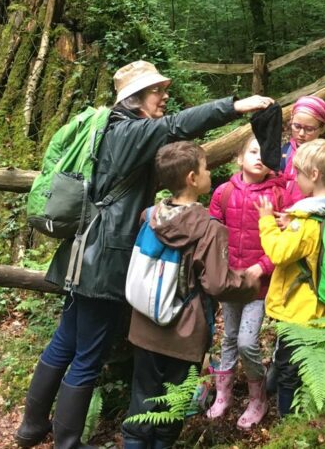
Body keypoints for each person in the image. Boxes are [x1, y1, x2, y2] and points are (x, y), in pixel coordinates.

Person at [14, 60, 273, 449]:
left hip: (85, 250)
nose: (164, 96)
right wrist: (234, 107)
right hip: (102, 260)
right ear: (135, 99)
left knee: (65, 341)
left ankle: (33, 427)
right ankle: (66, 442)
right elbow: (174, 128)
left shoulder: (106, 126)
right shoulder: (129, 132)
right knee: (86, 353)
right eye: (157, 91)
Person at [121, 142, 255, 448]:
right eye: (207, 168)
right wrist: (249, 282)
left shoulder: (150, 216)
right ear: (193, 178)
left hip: (144, 325)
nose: (211, 173)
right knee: (173, 407)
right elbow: (218, 285)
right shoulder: (210, 229)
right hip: (184, 333)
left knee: (141, 400)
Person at [257, 139, 325, 416]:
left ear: (314, 175)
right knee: (315, 364)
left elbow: (278, 253)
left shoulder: (306, 222)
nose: (294, 178)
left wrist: (265, 220)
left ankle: (289, 423)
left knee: (290, 370)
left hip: (300, 311)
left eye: (298, 172)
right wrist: (292, 224)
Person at [205, 135, 284, 428]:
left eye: (264, 152)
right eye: (252, 151)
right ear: (239, 158)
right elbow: (213, 236)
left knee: (247, 342)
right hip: (230, 283)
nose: (259, 157)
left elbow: (283, 242)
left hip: (259, 286)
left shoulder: (277, 195)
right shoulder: (223, 193)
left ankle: (257, 397)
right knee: (228, 338)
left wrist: (262, 267)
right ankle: (222, 394)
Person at [279, 96, 325, 206]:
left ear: (323, 128)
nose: (301, 133)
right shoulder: (286, 151)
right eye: (297, 126)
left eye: (309, 129)